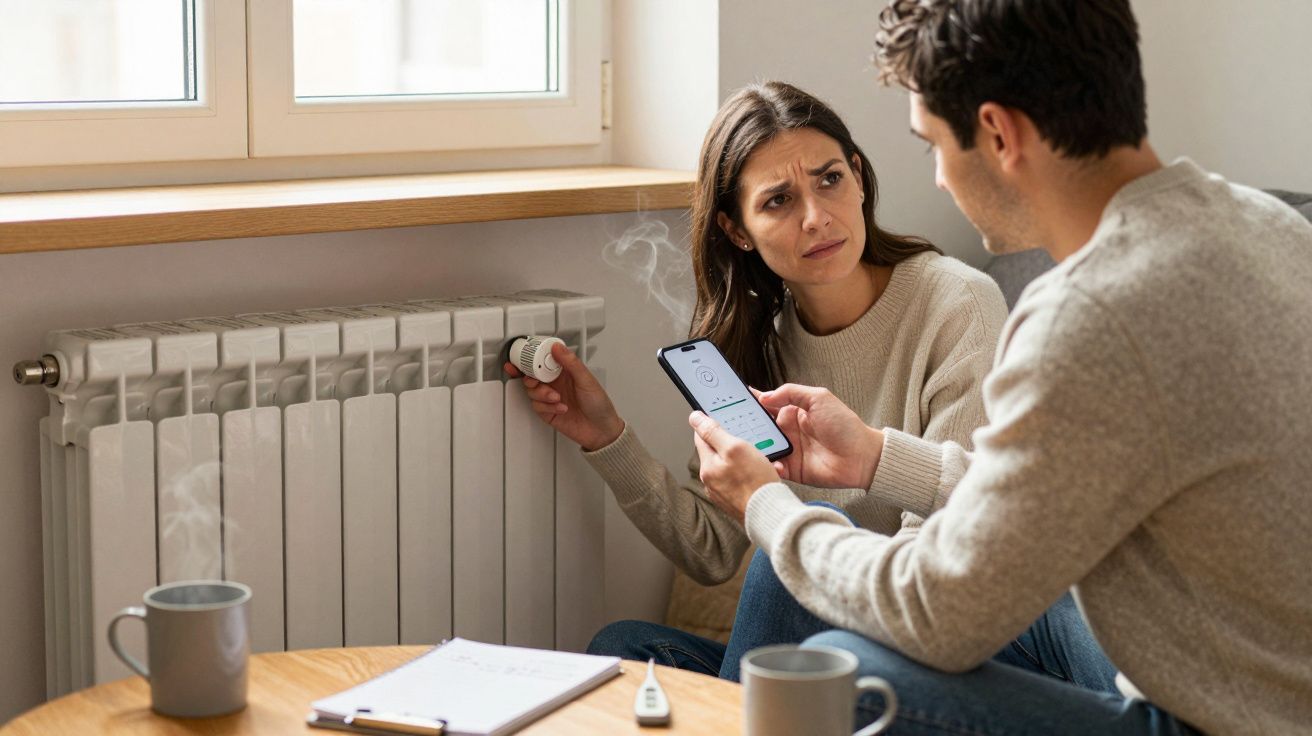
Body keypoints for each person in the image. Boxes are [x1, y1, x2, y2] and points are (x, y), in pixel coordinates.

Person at [685, 1, 1312, 734]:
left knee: (848, 674)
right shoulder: (1269, 225)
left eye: (933, 146)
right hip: (1254, 673)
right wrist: (880, 457)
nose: (943, 181)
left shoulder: (1086, 320)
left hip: (1224, 719)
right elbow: (1038, 501)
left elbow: (937, 615)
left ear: (997, 133)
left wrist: (768, 507)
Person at [506, 81, 1007, 680]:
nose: (817, 217)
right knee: (625, 647)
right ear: (737, 230)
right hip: (819, 653)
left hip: (917, 653)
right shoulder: (759, 345)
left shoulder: (958, 305)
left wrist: (785, 521)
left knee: (788, 555)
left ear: (859, 177)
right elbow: (711, 550)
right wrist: (606, 437)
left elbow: (934, 561)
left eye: (830, 179)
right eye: (778, 201)